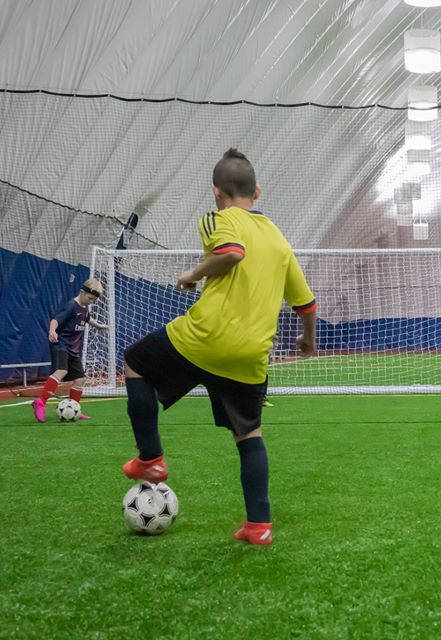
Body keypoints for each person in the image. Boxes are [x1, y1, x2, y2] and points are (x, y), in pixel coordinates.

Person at [120, 149, 317, 545]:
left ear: (216, 193)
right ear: (257, 191)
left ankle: (152, 460)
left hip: (203, 339)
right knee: (249, 436)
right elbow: (306, 304)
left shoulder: (219, 218)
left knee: (134, 363)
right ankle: (258, 526)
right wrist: (307, 339)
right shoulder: (279, 240)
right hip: (250, 356)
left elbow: (230, 253)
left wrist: (191, 273)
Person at [32, 279, 107, 422]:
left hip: (73, 349)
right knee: (62, 371)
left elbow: (86, 318)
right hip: (61, 344)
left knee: (80, 379)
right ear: (82, 292)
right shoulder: (71, 306)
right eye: (90, 298)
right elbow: (56, 320)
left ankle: (75, 409)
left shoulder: (84, 307)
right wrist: (52, 330)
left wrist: (97, 325)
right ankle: (40, 402)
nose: (91, 302)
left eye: (94, 300)